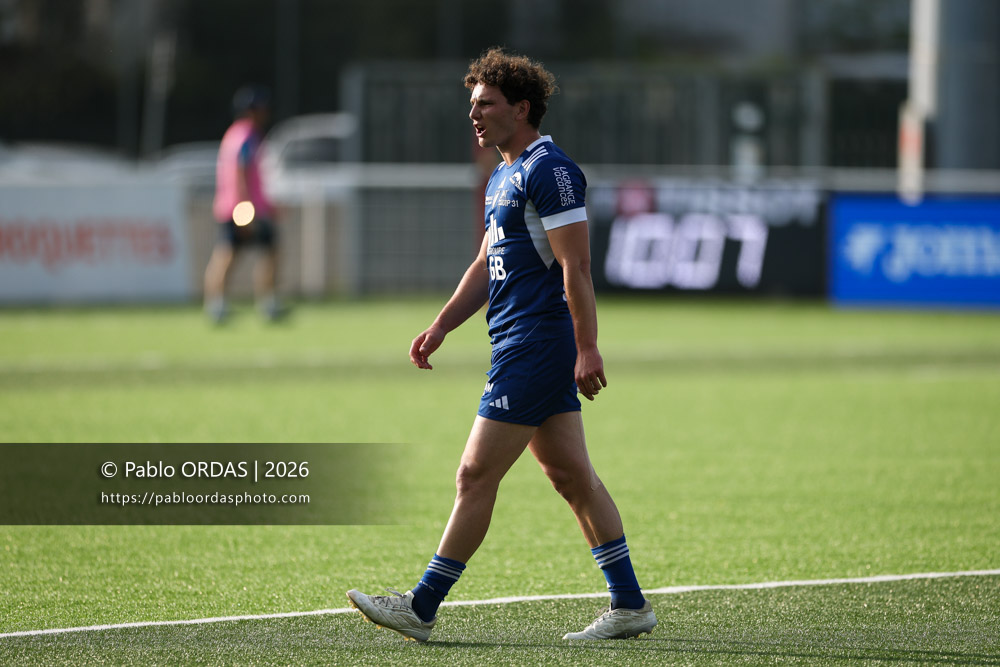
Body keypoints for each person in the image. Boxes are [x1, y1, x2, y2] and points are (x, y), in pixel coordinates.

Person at [347, 48, 656, 642]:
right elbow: (488, 262)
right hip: (515, 340)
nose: (475, 115)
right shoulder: (500, 176)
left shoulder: (549, 168)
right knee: (572, 477)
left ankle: (422, 605)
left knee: (473, 473)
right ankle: (630, 604)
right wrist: (441, 325)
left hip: (538, 343)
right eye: (472, 105)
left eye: (485, 104)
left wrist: (587, 347)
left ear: (522, 107)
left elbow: (579, 266)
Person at [203, 84, 283, 323]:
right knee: (228, 254)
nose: (265, 112)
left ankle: (254, 302)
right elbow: (241, 171)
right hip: (242, 208)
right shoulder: (245, 135)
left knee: (263, 250)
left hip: (243, 206)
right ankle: (222, 304)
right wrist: (246, 210)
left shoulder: (238, 133)